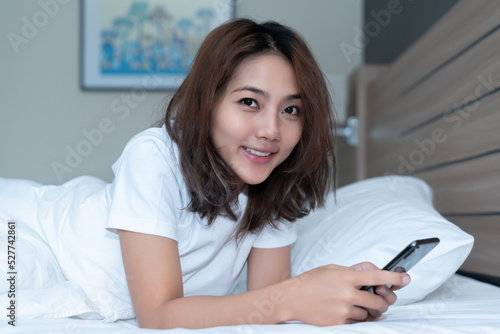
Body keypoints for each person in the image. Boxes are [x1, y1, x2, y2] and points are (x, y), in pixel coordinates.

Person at [0, 18, 410, 329]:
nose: (271, 130)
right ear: (208, 103)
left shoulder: (273, 181)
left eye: (291, 110)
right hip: (31, 230)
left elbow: (264, 302)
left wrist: (334, 295)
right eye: (250, 102)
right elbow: (158, 315)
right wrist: (295, 295)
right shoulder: (154, 155)